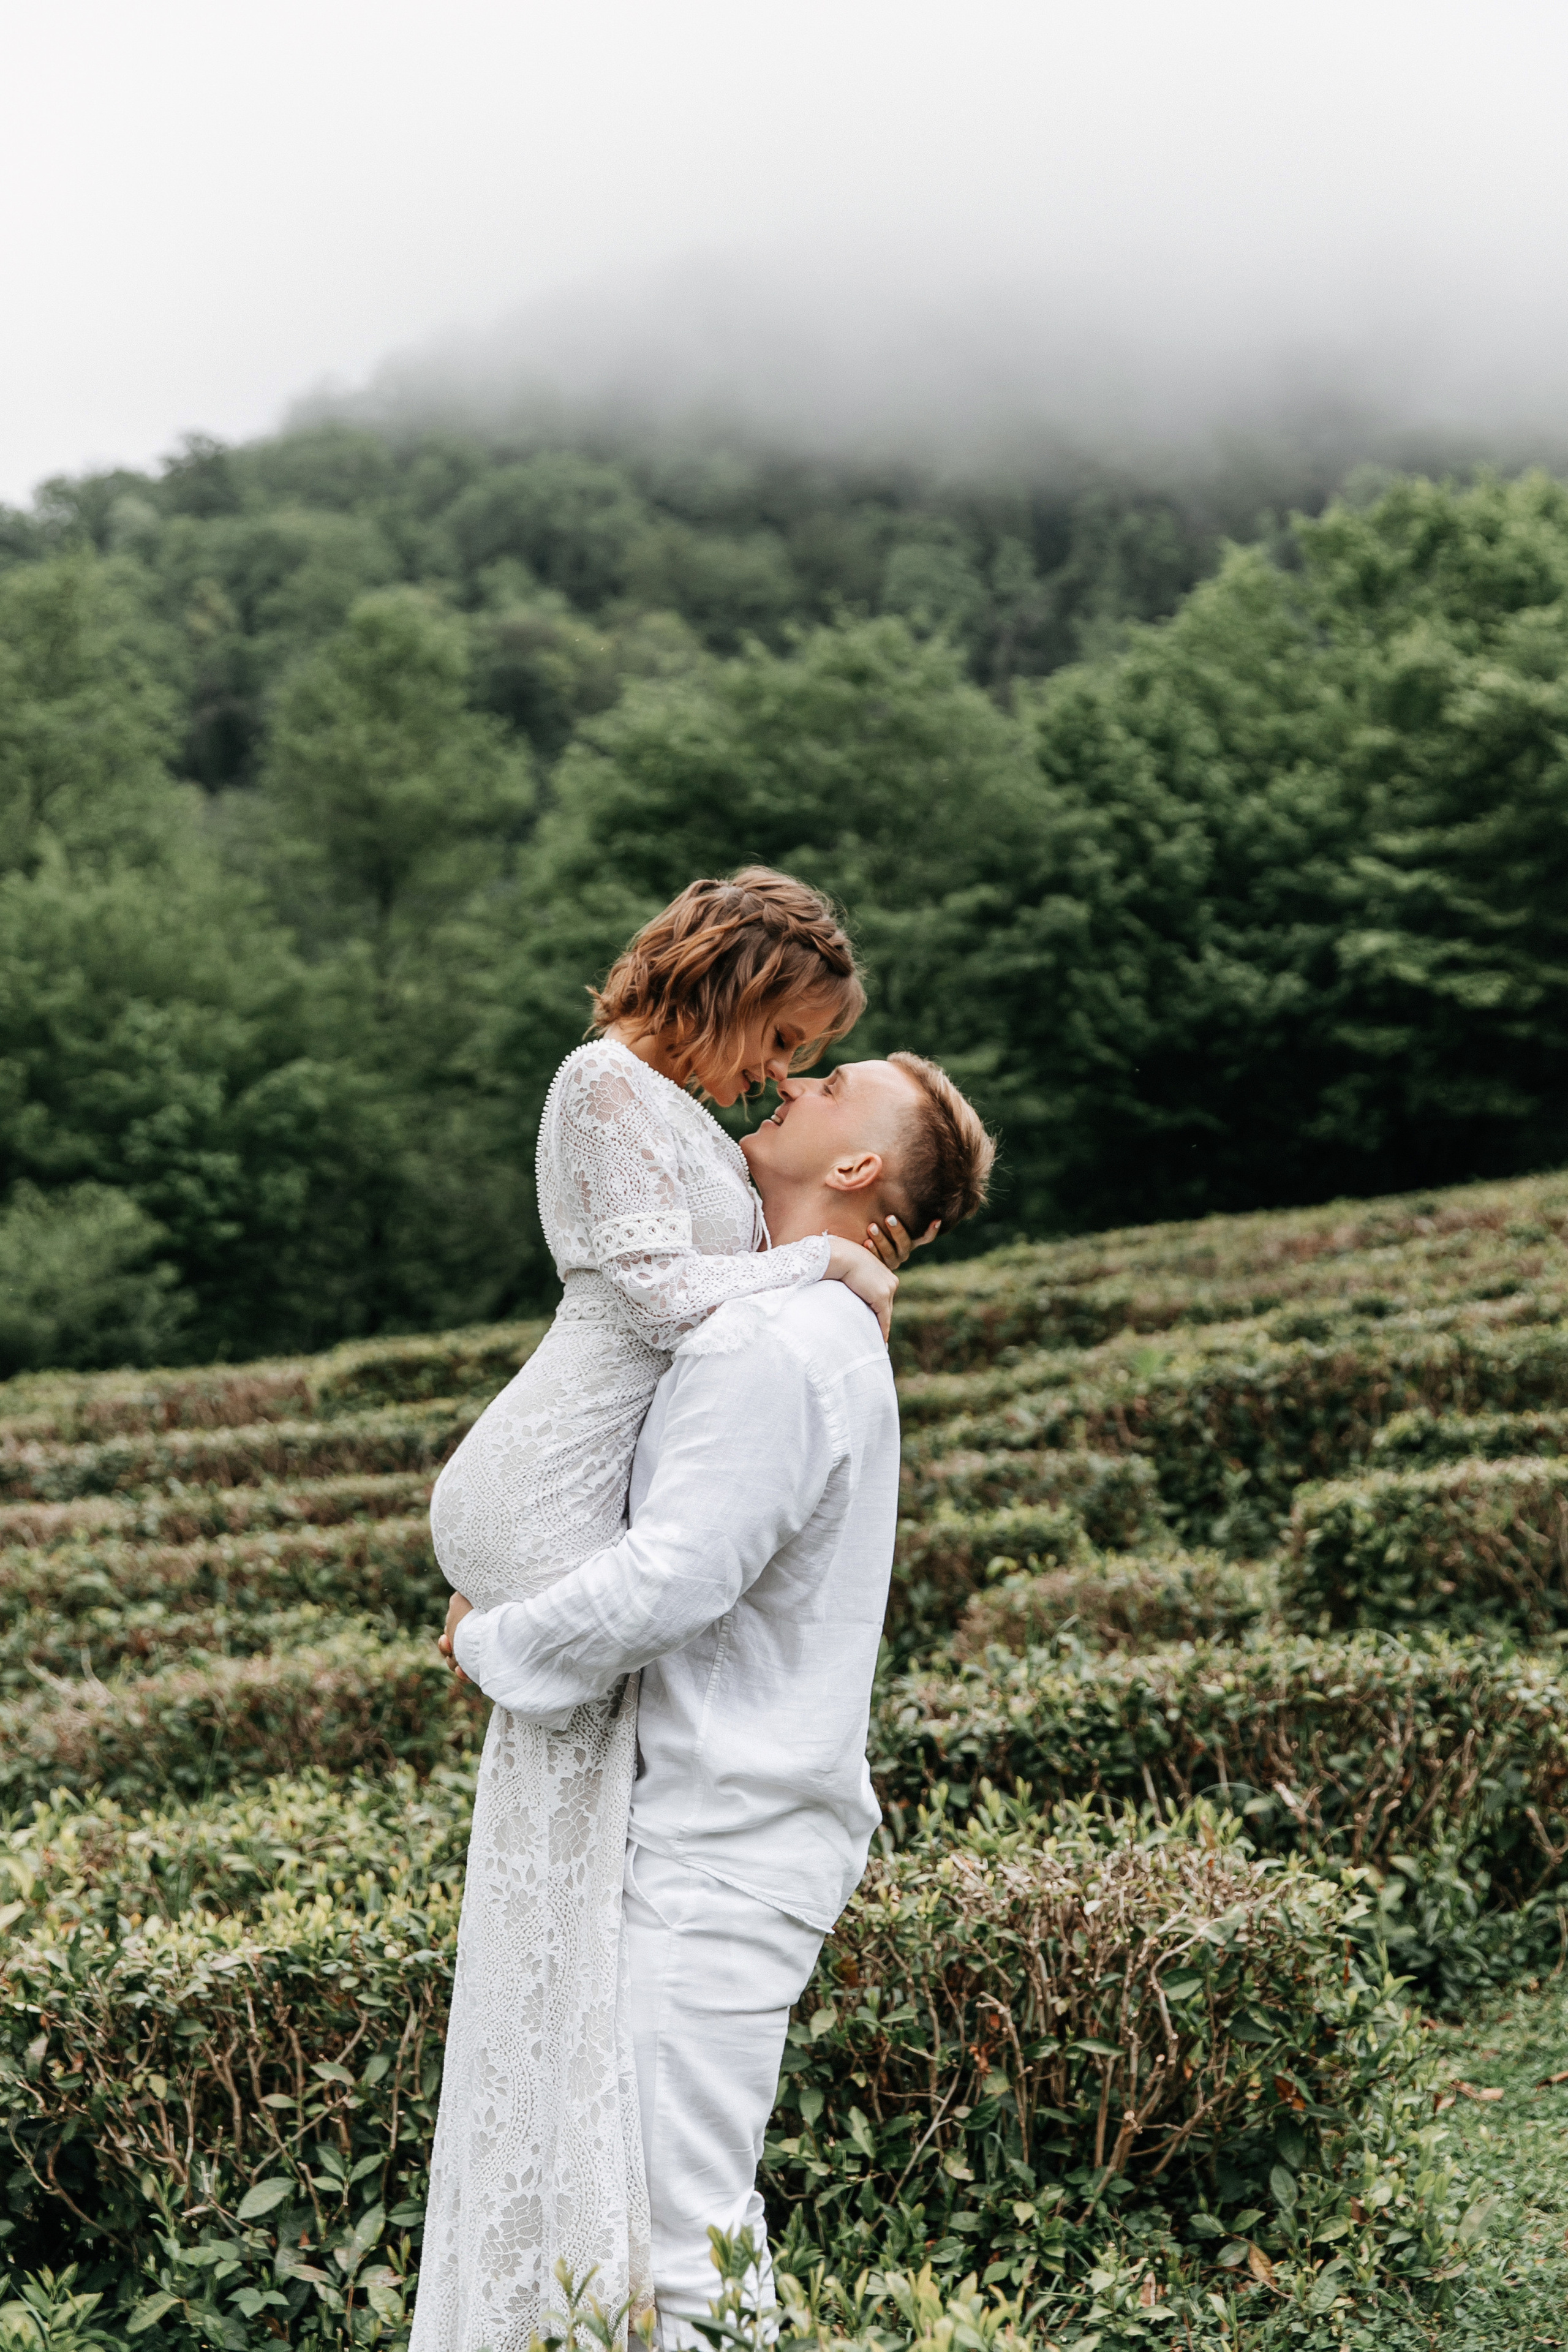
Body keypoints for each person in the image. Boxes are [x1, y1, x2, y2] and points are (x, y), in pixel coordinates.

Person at [410, 872, 930, 2352]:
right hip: (554, 1482)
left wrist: (814, 1261)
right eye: (786, 1038)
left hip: (683, 1745)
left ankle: (567, 2296)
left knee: (615, 2069)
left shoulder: (692, 1129)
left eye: (809, 1062)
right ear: (736, 984)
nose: (780, 1074)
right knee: (611, 2056)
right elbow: (648, 1294)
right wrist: (823, 1255)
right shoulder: (605, 1084)